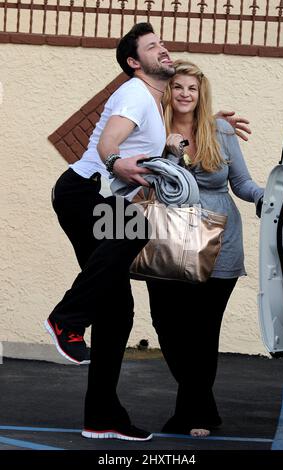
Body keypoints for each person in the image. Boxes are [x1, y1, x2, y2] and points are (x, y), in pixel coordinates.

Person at [46, 22, 252, 441]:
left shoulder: (152, 104)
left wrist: (208, 122)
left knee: (117, 311)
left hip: (101, 199)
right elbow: (110, 142)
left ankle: (102, 416)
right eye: (152, 46)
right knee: (135, 230)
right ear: (134, 62)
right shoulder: (135, 93)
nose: (163, 49)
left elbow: (168, 130)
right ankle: (66, 318)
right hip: (85, 193)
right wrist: (116, 160)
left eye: (162, 43)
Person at [144, 59, 264, 437]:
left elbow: (242, 183)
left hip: (220, 241)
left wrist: (270, 198)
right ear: (169, 91)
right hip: (167, 240)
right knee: (167, 323)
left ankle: (194, 414)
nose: (184, 94)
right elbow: (154, 183)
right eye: (178, 87)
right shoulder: (153, 128)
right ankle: (200, 405)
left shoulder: (220, 130)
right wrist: (170, 151)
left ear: (201, 93)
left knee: (203, 329)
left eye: (191, 88)